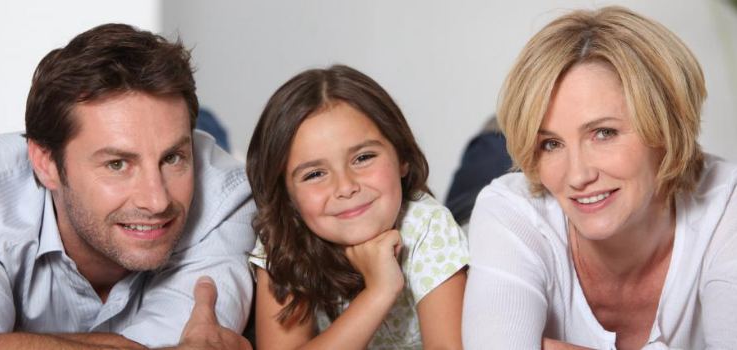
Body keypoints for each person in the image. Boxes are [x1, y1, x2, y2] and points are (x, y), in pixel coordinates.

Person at [0, 24, 254, 349]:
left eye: (172, 158)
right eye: (117, 164)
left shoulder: (227, 197)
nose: (156, 201)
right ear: (45, 163)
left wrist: (4, 341)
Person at [461, 6, 737, 349]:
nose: (578, 175)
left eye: (604, 133)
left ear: (667, 127)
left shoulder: (727, 203)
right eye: (551, 142)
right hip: (494, 189)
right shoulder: (510, 210)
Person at [246, 65, 469, 349]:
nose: (345, 186)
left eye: (363, 157)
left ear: (402, 156)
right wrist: (379, 292)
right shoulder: (282, 240)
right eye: (315, 174)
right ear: (286, 195)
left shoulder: (429, 227)